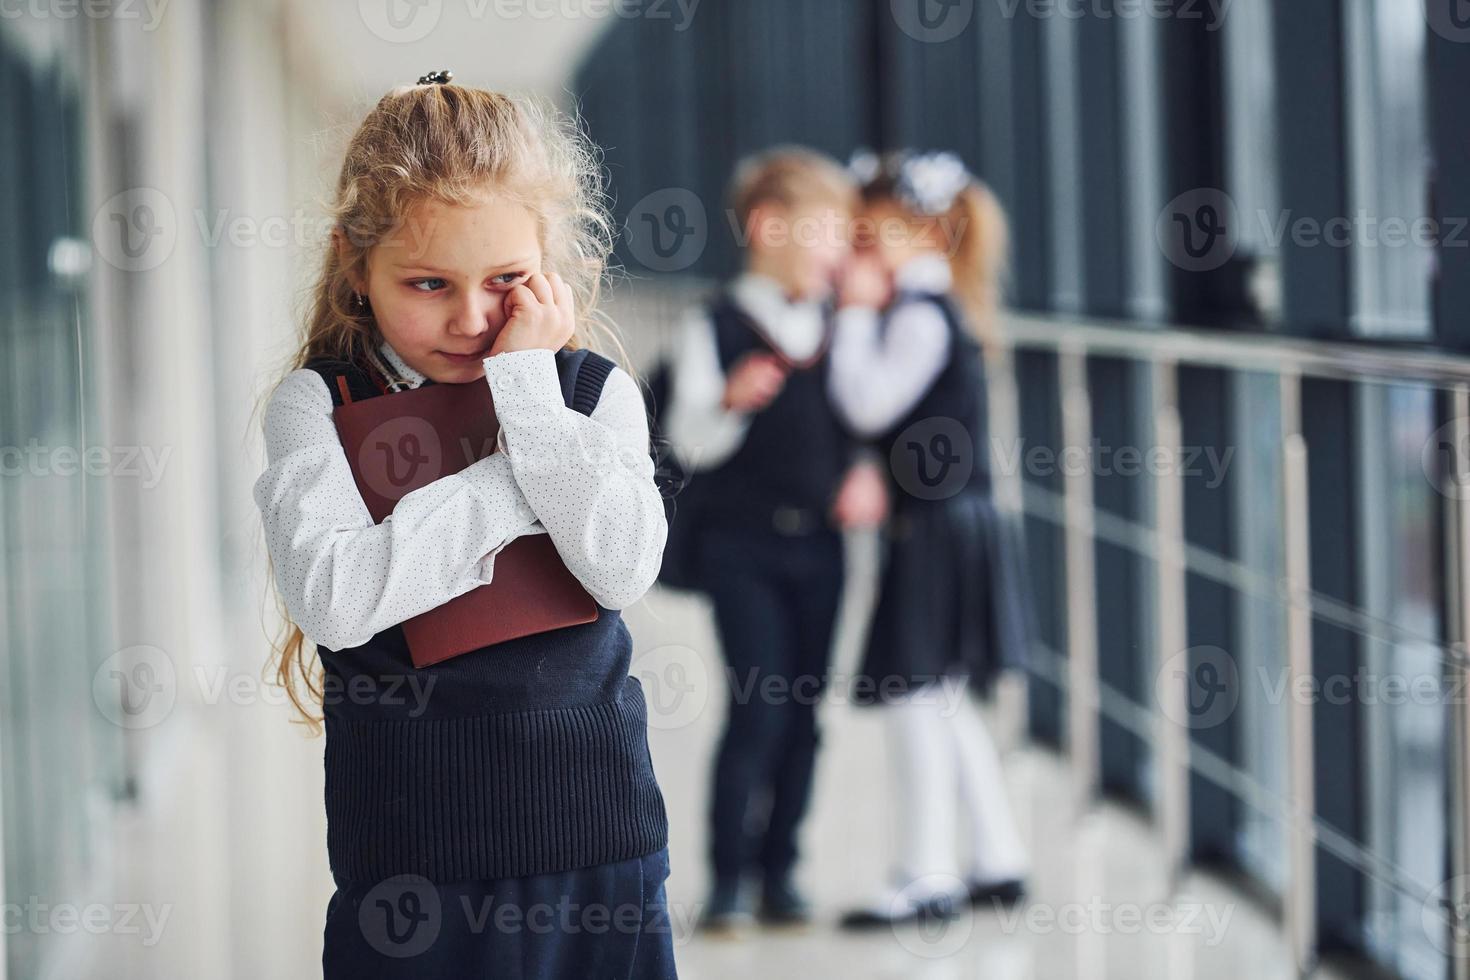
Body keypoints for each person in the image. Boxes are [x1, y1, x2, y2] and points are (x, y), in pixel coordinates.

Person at [252, 75, 676, 977]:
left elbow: (621, 570)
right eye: (428, 283)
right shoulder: (318, 408)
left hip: (598, 845)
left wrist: (529, 396)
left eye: (507, 282)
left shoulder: (590, 394)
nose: (475, 318)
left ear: (549, 267)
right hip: (411, 863)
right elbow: (337, 600)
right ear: (355, 268)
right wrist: (519, 473)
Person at [663, 147, 881, 934]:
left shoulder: (837, 326)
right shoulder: (716, 325)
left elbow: (865, 417)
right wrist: (729, 400)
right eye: (826, 231)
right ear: (768, 227)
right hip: (741, 550)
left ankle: (782, 870)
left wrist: (865, 472)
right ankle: (729, 878)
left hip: (821, 550)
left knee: (805, 713)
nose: (836, 250)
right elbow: (685, 439)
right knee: (757, 707)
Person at [830, 150, 1034, 929]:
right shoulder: (939, 303)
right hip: (953, 521)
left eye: (869, 227)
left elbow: (866, 405)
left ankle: (927, 875)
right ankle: (997, 856)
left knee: (918, 696)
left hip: (937, 528)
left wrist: (851, 310)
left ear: (916, 228)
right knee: (944, 696)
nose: (857, 242)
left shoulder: (915, 311)